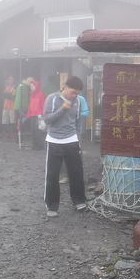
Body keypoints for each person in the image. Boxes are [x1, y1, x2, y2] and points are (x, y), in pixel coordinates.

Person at [43, 76, 87, 217]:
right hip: (54, 141)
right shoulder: (52, 98)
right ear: (65, 87)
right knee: (52, 176)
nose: (75, 95)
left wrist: (78, 138)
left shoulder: (78, 101)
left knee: (76, 173)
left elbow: (79, 121)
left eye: (77, 93)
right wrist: (63, 109)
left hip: (72, 140)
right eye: (73, 92)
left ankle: (79, 201)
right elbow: (47, 119)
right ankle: (52, 206)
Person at [27, 79, 45, 150]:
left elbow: (42, 104)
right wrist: (29, 113)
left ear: (36, 86)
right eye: (30, 86)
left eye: (32, 86)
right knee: (32, 130)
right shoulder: (31, 94)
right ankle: (34, 145)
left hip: (39, 115)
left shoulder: (40, 94)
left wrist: (42, 114)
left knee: (38, 130)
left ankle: (40, 146)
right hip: (32, 115)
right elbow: (30, 105)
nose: (31, 87)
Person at [1, 76, 16, 140]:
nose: (10, 81)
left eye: (11, 80)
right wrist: (8, 95)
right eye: (9, 80)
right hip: (5, 106)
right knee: (4, 121)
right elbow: (4, 95)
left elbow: (12, 97)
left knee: (12, 121)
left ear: (13, 81)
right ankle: (7, 134)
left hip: (12, 106)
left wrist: (7, 95)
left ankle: (12, 134)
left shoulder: (14, 87)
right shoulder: (6, 87)